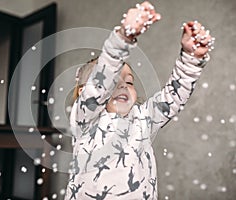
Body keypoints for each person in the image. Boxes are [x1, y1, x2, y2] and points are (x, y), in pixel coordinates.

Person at [64, 1, 214, 199]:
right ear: (85, 91)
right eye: (113, 82)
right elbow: (103, 77)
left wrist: (191, 58)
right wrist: (123, 38)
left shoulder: (143, 119)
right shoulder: (86, 120)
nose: (123, 86)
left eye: (129, 82)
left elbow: (173, 96)